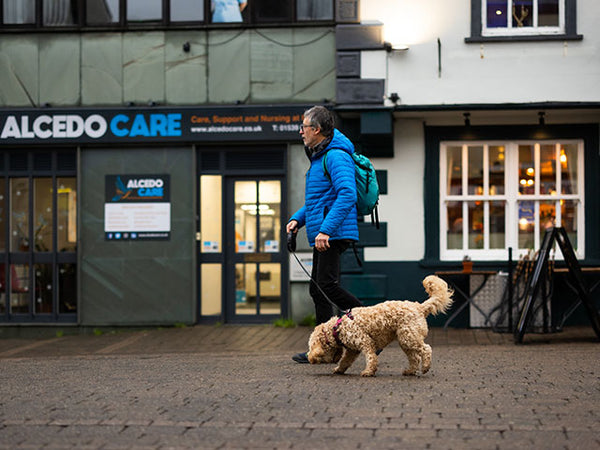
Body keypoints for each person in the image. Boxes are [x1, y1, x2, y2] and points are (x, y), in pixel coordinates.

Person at [287, 105, 363, 364]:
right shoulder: (320, 156)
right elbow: (319, 201)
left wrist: (325, 230)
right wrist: (298, 219)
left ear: (317, 129)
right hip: (325, 232)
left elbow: (347, 195)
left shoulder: (335, 156)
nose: (301, 132)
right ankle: (326, 347)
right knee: (318, 289)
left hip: (333, 233)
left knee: (326, 286)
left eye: (304, 127)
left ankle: (369, 326)